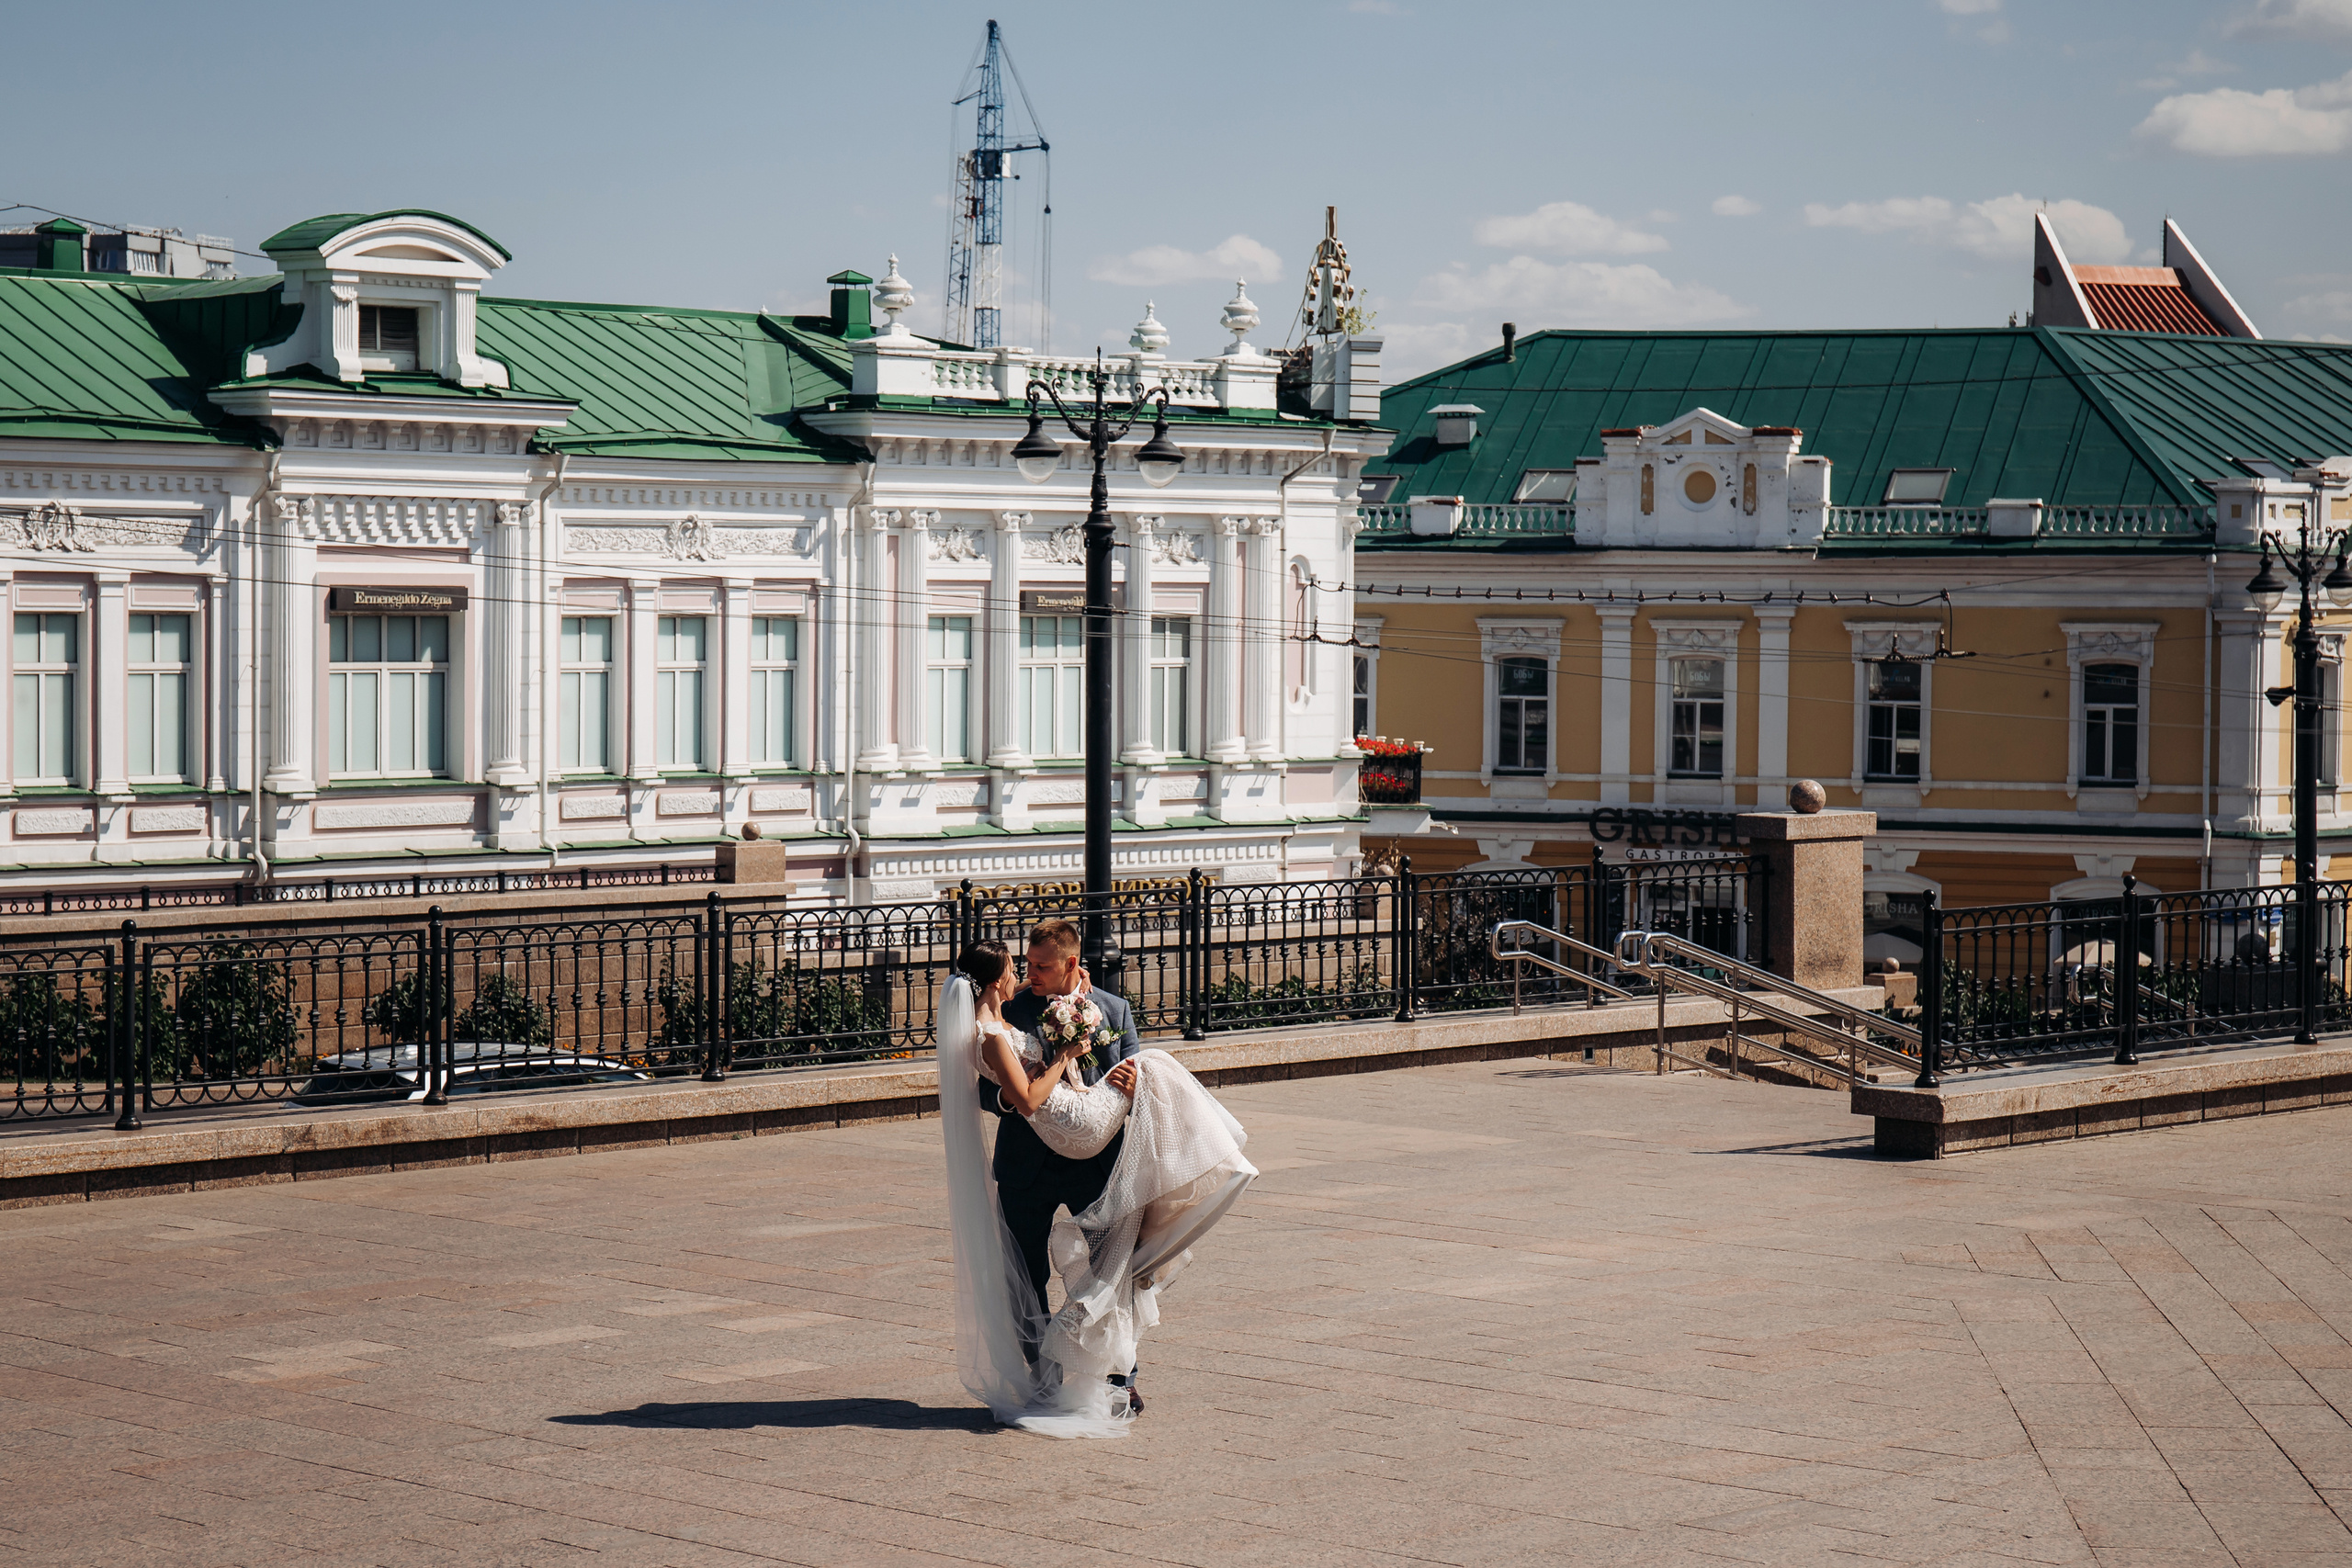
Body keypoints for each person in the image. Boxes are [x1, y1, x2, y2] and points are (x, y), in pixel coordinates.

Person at [936, 926, 1255, 1438]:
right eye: (1027, 964)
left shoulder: (1113, 1008)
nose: (1030, 974)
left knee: (1116, 1267)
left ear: (1070, 962)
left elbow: (1128, 1072)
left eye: (1041, 965)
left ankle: (1119, 1377)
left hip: (1095, 1163)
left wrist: (1131, 1081)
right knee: (1024, 1274)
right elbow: (976, 1087)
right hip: (1025, 1165)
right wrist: (1014, 1102)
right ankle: (1043, 1379)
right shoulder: (1006, 1011)